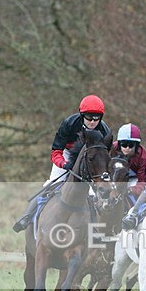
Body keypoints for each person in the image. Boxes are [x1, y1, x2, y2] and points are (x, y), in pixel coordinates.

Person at [13, 94, 110, 232]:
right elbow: (56, 152)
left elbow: (104, 156)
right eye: (89, 117)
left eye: (97, 118)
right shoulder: (69, 124)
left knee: (93, 195)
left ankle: (94, 229)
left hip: (90, 159)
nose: (93, 121)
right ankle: (27, 217)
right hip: (67, 154)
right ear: (82, 115)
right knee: (50, 185)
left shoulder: (105, 131)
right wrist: (64, 164)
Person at [113, 123, 146, 200]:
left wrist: (131, 190)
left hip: (133, 178)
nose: (127, 148)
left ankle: (134, 210)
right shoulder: (112, 149)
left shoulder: (143, 157)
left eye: (131, 145)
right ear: (119, 144)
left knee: (132, 196)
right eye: (124, 144)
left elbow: (142, 181)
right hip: (115, 176)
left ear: (137, 145)